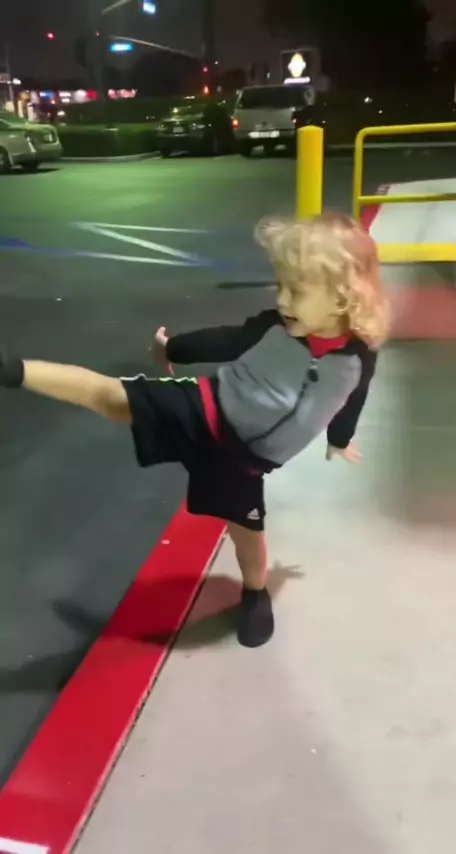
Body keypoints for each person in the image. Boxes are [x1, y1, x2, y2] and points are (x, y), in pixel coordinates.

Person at [0, 212, 389, 648]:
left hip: (243, 462)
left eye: (296, 291)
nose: (283, 300)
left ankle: (255, 594)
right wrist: (175, 348)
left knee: (247, 535)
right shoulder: (274, 327)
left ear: (343, 297)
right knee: (112, 396)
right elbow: (227, 339)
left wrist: (339, 439)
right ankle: (13, 370)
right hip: (207, 409)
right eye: (281, 286)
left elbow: (353, 397)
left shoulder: (359, 359)